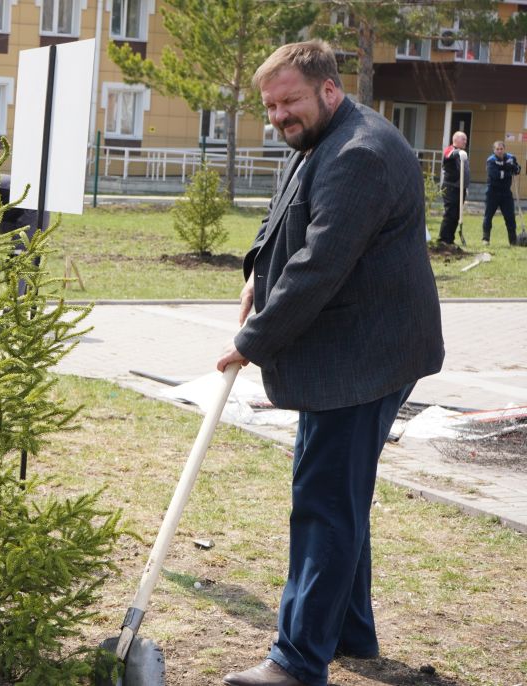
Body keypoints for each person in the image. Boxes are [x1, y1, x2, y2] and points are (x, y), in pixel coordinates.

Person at [216, 40, 444, 686]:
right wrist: (258, 275)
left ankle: (297, 662)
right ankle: (348, 631)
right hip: (359, 349)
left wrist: (254, 339)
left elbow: (320, 265)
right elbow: (286, 210)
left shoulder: (359, 155)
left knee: (323, 503)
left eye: (288, 101)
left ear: (328, 90)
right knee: (339, 496)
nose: (280, 115)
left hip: (364, 357)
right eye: (270, 106)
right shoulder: (322, 138)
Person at [482, 140, 520, 246]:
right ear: (494, 150)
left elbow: (517, 170)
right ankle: (486, 239)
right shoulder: (491, 160)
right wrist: (508, 171)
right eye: (497, 149)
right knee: (488, 216)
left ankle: (513, 241)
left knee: (510, 217)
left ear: (504, 149)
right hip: (492, 192)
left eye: (501, 149)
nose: (499, 151)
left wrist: (514, 168)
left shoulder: (511, 158)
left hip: (506, 193)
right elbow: (495, 175)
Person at [438, 130, 469, 246]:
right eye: (463, 139)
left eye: (466, 139)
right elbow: (448, 155)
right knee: (450, 213)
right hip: (451, 188)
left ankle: (450, 239)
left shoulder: (463, 152)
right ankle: (443, 239)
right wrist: (457, 152)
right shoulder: (450, 149)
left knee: (456, 215)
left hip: (460, 189)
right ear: (455, 140)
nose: (465, 141)